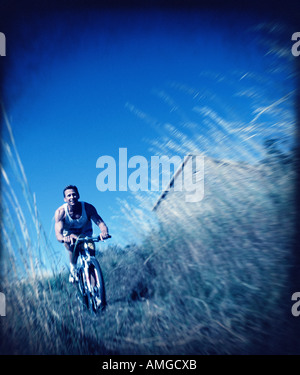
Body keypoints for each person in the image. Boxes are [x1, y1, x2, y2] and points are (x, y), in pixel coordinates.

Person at [55, 185, 109, 282]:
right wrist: (64, 238)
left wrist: (104, 232)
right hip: (70, 235)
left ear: (78, 196)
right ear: (65, 199)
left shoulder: (88, 208)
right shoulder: (61, 212)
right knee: (71, 245)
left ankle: (96, 292)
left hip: (85, 233)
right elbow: (58, 234)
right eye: (69, 195)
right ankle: (73, 268)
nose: (72, 197)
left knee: (91, 258)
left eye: (74, 194)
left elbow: (100, 222)